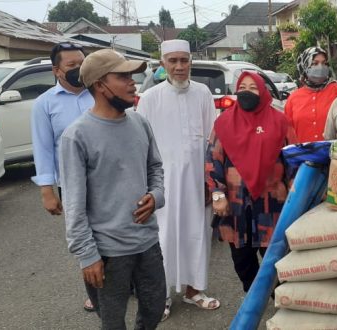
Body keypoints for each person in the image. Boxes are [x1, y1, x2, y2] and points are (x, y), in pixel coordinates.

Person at [59, 49, 166, 329]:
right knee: (112, 322)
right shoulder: (77, 136)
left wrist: (156, 197)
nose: (132, 82)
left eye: (132, 75)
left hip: (147, 242)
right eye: (122, 76)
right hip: (107, 253)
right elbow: (73, 205)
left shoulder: (140, 122)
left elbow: (155, 168)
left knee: (154, 309)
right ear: (99, 85)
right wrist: (87, 255)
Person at [137, 39, 219, 320]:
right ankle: (161, 296)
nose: (180, 66)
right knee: (163, 238)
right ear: (163, 64)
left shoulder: (203, 93)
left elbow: (212, 140)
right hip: (164, 184)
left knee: (198, 234)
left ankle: (194, 290)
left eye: (184, 61)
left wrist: (211, 183)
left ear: (190, 63)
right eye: (173, 61)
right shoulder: (150, 99)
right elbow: (141, 146)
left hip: (198, 181)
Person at [205, 71, 297, 293]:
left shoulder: (280, 121)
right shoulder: (224, 122)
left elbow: (294, 159)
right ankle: (252, 296)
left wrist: (297, 194)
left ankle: (278, 299)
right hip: (235, 205)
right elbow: (212, 161)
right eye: (242, 87)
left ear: (263, 91)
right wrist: (218, 195)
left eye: (253, 88)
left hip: (272, 204)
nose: (247, 92)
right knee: (242, 260)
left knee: (275, 258)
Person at [30, 42, 96, 312]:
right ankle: (95, 289)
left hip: (110, 179)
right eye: (72, 66)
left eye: (82, 63)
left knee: (118, 232)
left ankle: (123, 283)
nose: (79, 69)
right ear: (57, 71)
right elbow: (42, 148)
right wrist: (47, 190)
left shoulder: (99, 92)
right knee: (83, 236)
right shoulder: (44, 104)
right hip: (71, 185)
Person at [284, 46, 337, 143]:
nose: (320, 67)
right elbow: (289, 133)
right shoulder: (293, 98)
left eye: (324, 63)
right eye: (314, 63)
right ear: (304, 66)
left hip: (334, 154)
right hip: (304, 155)